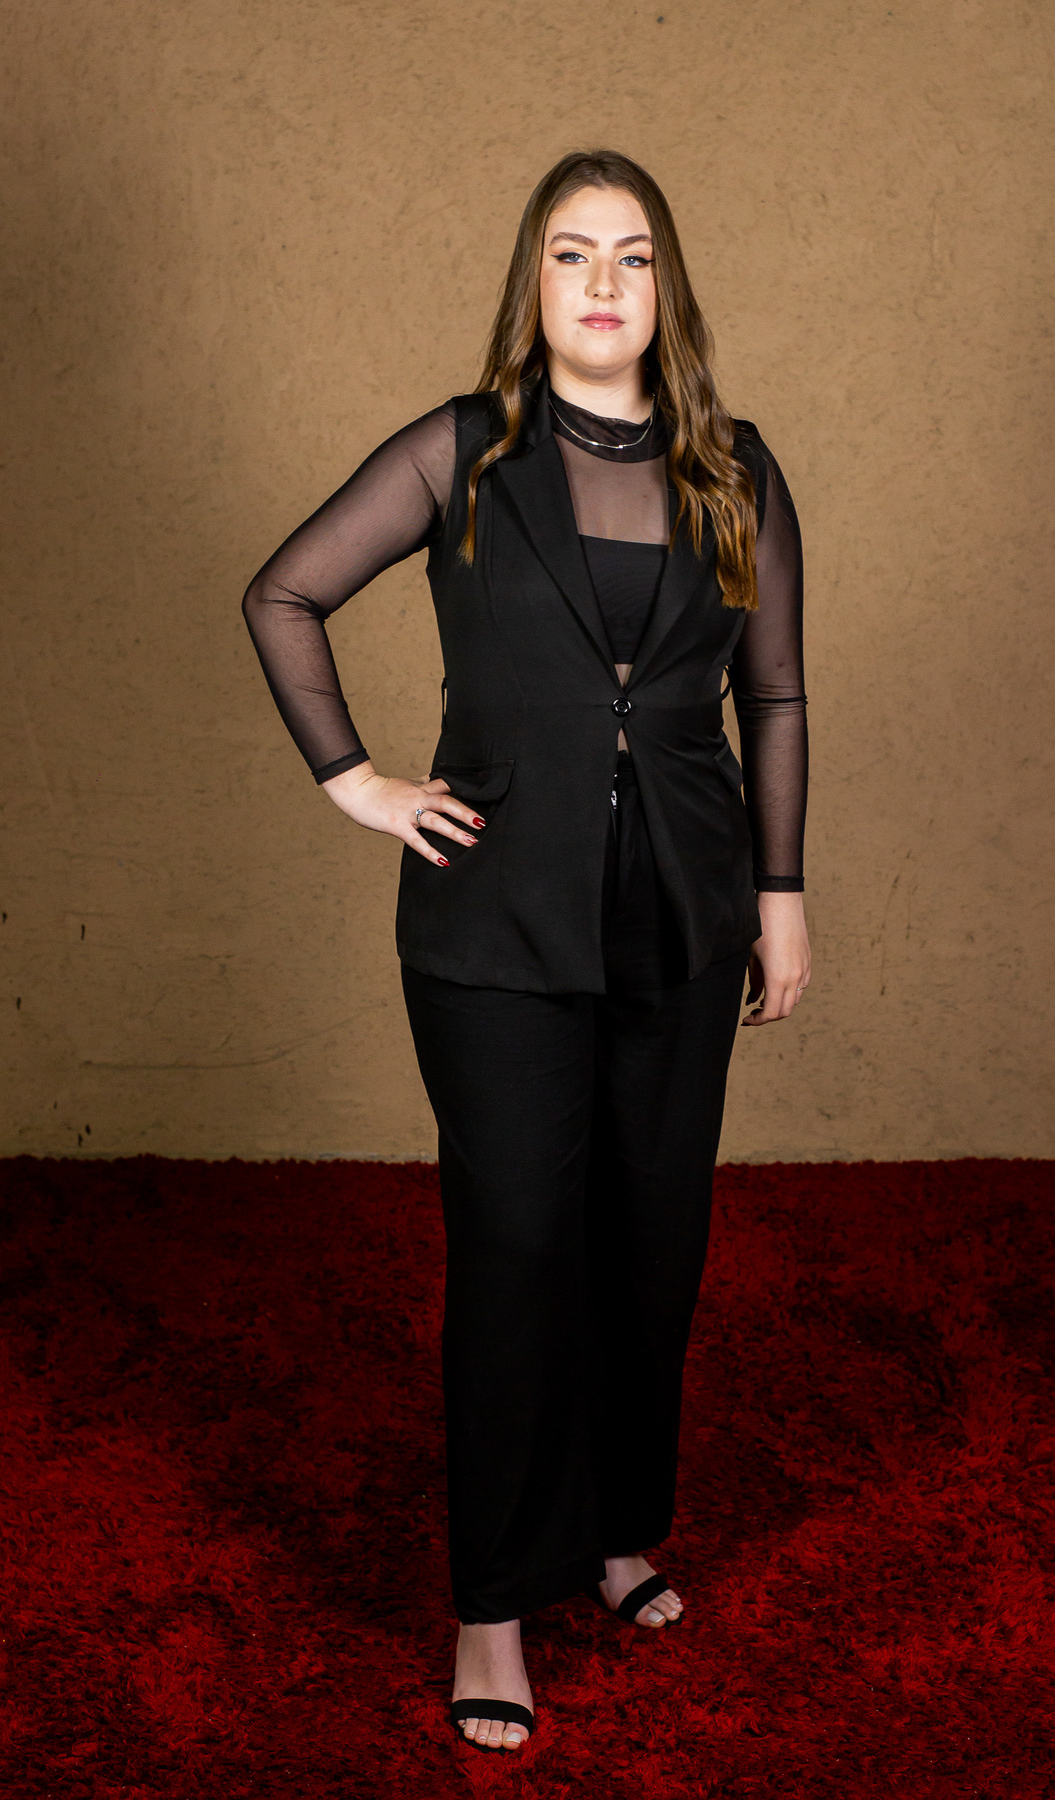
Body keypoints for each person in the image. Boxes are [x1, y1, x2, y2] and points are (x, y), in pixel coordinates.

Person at [243, 148, 810, 1753]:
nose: (605, 283)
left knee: (653, 1241)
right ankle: (492, 1598)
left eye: (633, 255)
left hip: (683, 918)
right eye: (573, 254)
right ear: (534, 282)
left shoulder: (735, 466)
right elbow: (283, 594)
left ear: (665, 286)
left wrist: (780, 890)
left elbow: (773, 689)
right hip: (493, 929)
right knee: (515, 1250)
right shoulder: (461, 452)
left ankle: (619, 1529)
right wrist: (359, 783)